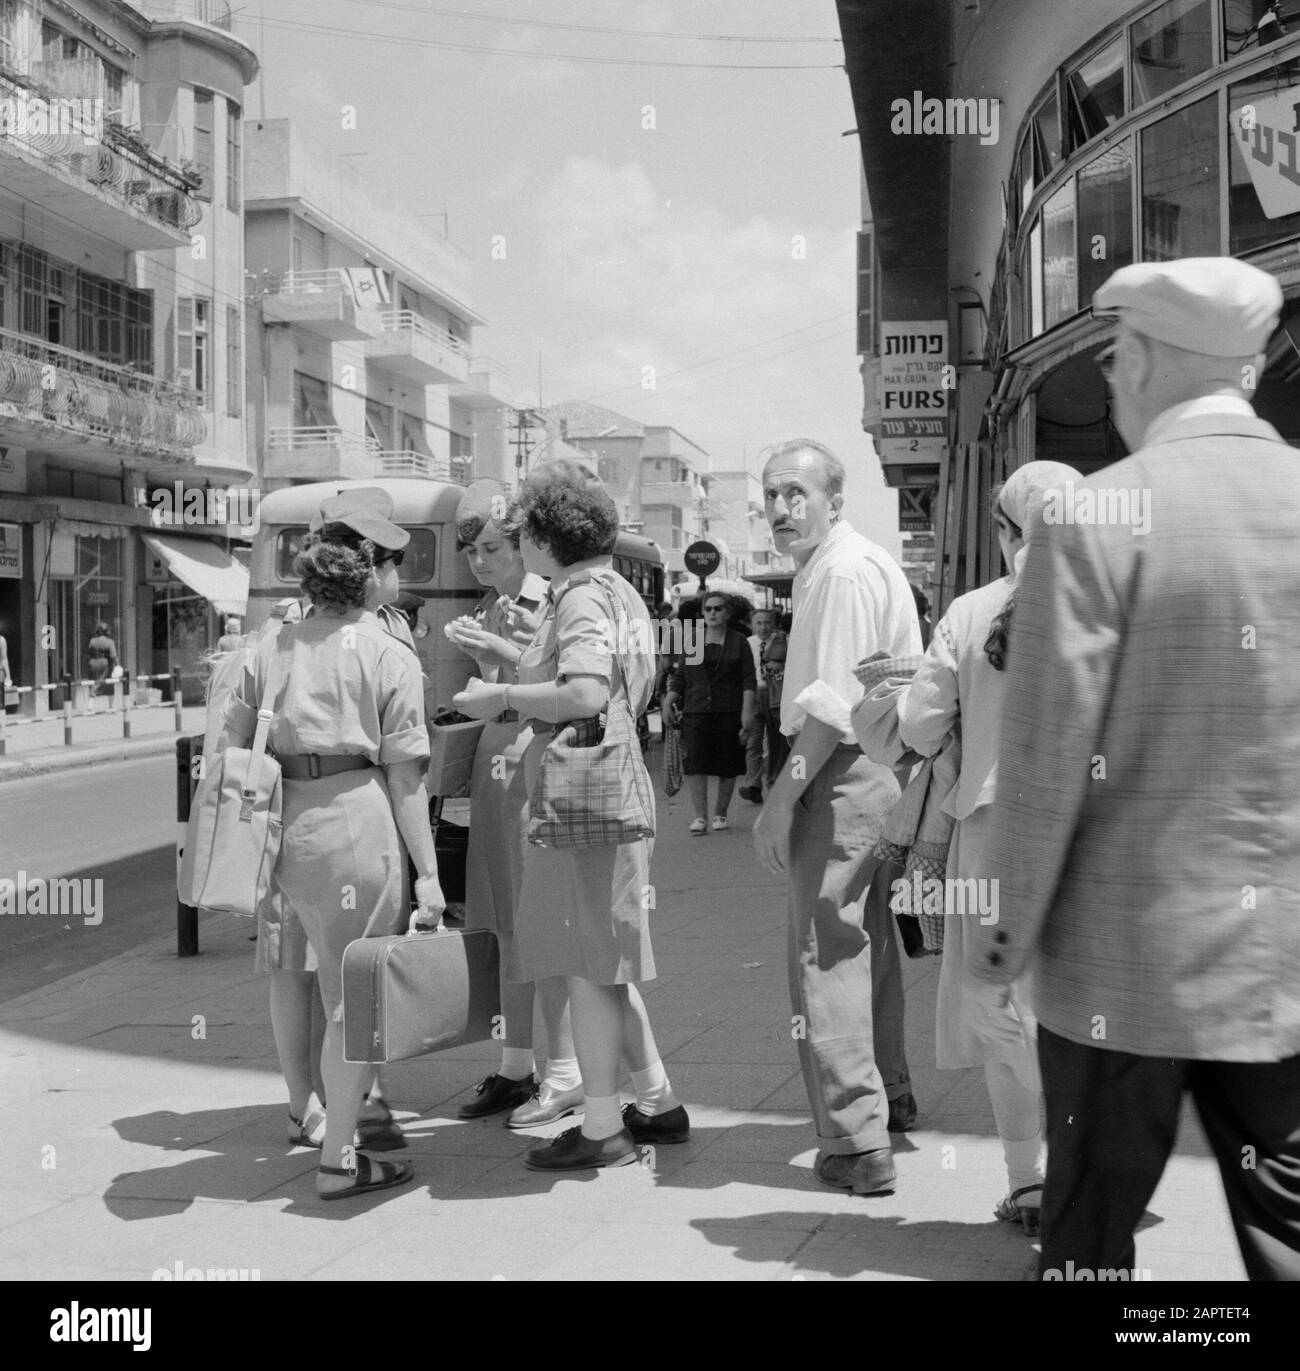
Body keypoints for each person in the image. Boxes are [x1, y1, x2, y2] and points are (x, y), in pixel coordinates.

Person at [969, 257, 1300, 1281]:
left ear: (1150, 357)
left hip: (1118, 966)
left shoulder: (1091, 518)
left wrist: (1005, 930)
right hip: (1280, 969)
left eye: (1116, 356)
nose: (1110, 379)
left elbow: (1044, 760)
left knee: (1088, 1242)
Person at [854, 460, 1082, 1238]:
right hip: (1094, 837)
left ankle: (1027, 1185)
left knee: (1003, 1013)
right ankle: (1088, 1179)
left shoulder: (973, 609)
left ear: (1006, 532)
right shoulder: (1119, 603)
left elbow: (918, 729)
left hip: (991, 840)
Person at [454, 460, 687, 1170]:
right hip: (613, 793)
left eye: (521, 533)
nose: (516, 545)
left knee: (587, 969)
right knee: (606, 963)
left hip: (584, 800)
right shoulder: (613, 590)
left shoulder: (580, 598)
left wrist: (500, 700)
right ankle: (658, 1100)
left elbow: (584, 691)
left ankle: (601, 1126)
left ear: (546, 538)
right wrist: (508, 660)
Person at [219, 500, 444, 1200]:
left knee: (315, 976)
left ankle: (321, 1115)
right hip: (356, 819)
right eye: (392, 564)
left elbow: (228, 740)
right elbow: (407, 776)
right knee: (358, 993)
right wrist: (430, 873)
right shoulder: (385, 650)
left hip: (289, 826)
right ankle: (341, 1158)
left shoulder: (272, 643)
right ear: (369, 576)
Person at [751, 439, 921, 1195]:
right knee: (865, 945)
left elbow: (828, 714)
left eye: (796, 493)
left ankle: (856, 1139)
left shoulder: (843, 571)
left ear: (834, 500)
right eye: (771, 496)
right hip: (872, 774)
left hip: (841, 773)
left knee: (828, 953)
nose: (782, 509)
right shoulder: (840, 565)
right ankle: (889, 1093)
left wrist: (779, 803)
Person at [445, 480, 582, 1128]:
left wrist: (492, 656)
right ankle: (515, 1063)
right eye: (470, 548)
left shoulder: (537, 604)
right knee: (501, 924)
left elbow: (546, 685)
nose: (479, 559)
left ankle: (564, 1071)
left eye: (492, 546)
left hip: (527, 775)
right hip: (497, 775)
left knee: (532, 925)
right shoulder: (496, 605)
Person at [661, 592, 757, 833]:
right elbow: (681, 677)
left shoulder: (738, 641)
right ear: (702, 613)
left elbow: (748, 680)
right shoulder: (694, 640)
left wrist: (747, 712)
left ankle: (720, 814)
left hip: (729, 710)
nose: (713, 613)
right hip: (696, 711)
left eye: (718, 608)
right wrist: (668, 701)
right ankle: (700, 817)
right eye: (708, 609)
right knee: (696, 764)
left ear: (728, 613)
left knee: (728, 764)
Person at [739, 608, 772, 803]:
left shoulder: (782, 642)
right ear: (752, 625)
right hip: (754, 695)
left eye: (767, 622)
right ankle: (753, 784)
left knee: (778, 743)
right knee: (754, 743)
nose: (763, 627)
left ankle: (776, 782)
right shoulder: (747, 644)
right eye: (758, 623)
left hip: (776, 695)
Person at [87, 622, 116, 697]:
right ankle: (111, 706)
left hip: (93, 663)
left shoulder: (92, 641)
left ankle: (90, 705)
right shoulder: (110, 642)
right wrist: (115, 665)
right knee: (110, 685)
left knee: (93, 684)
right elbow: (113, 656)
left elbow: (89, 652)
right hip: (105, 664)